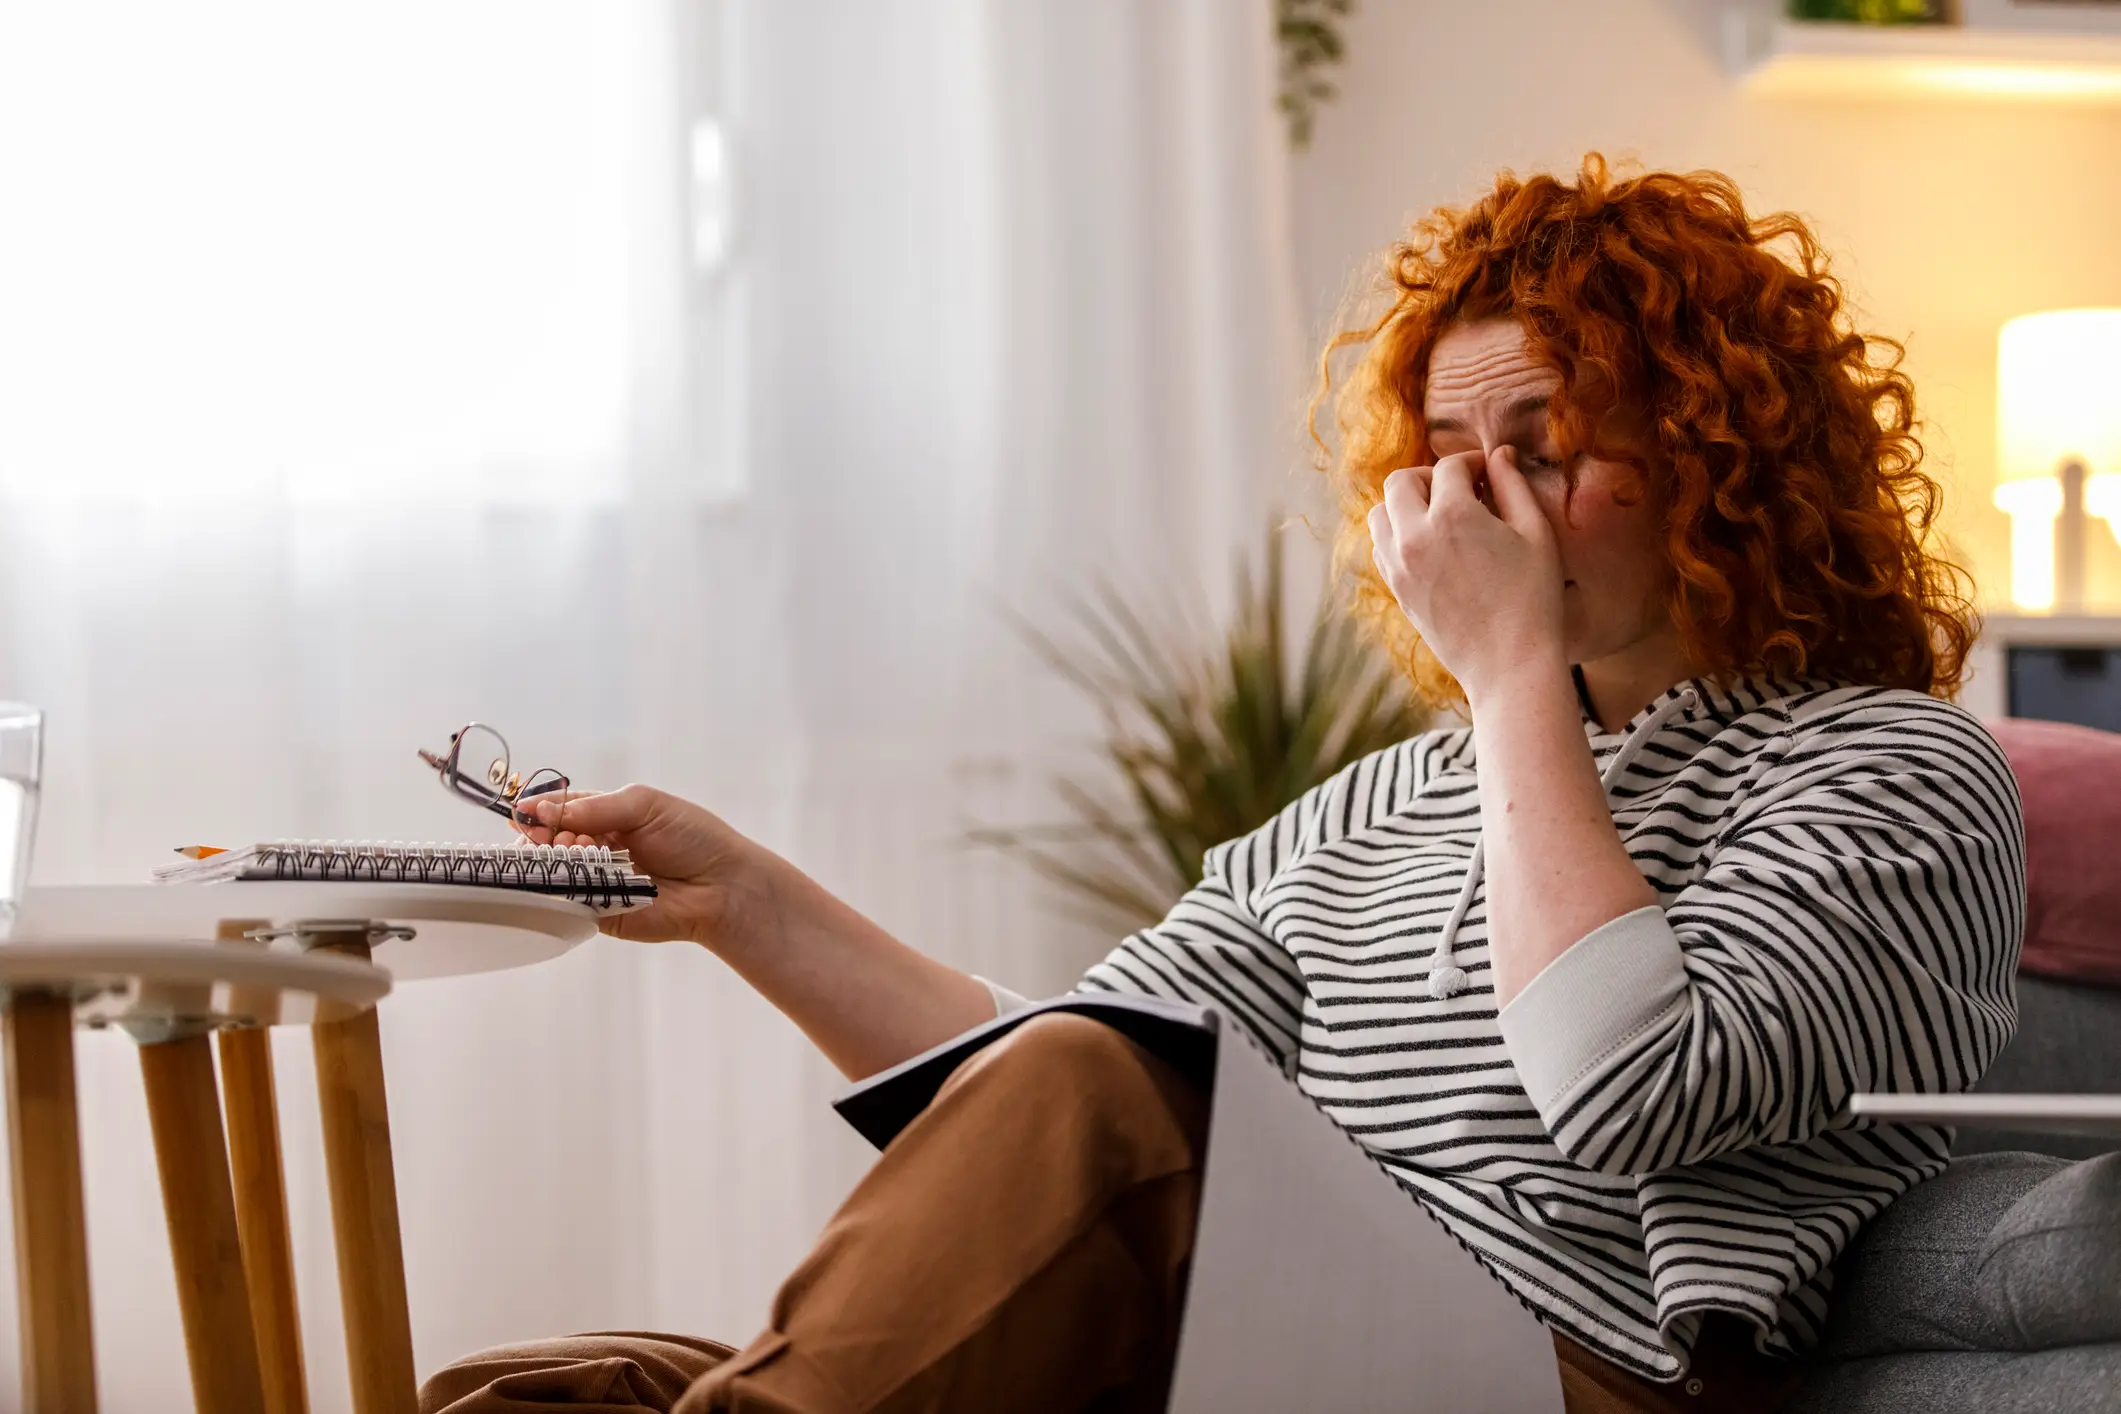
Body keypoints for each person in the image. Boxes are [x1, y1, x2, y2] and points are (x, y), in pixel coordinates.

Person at [420, 157, 2023, 1414]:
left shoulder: (1895, 770)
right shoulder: (1380, 803)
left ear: (1727, 460)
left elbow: (1624, 1088)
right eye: (1456, 461)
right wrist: (744, 899)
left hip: (1585, 1376)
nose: (1488, 505)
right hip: (1264, 1347)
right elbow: (1046, 1083)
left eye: (1546, 444)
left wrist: (1514, 675)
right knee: (548, 1389)